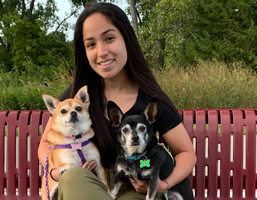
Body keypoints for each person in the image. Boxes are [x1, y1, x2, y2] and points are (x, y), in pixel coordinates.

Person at [38, 2, 196, 199]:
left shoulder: (151, 101)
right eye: (91, 44)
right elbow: (46, 144)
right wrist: (55, 171)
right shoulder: (76, 98)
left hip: (135, 185)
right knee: (72, 178)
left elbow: (186, 153)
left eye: (109, 38)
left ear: (126, 39)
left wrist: (164, 184)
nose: (102, 52)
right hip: (90, 183)